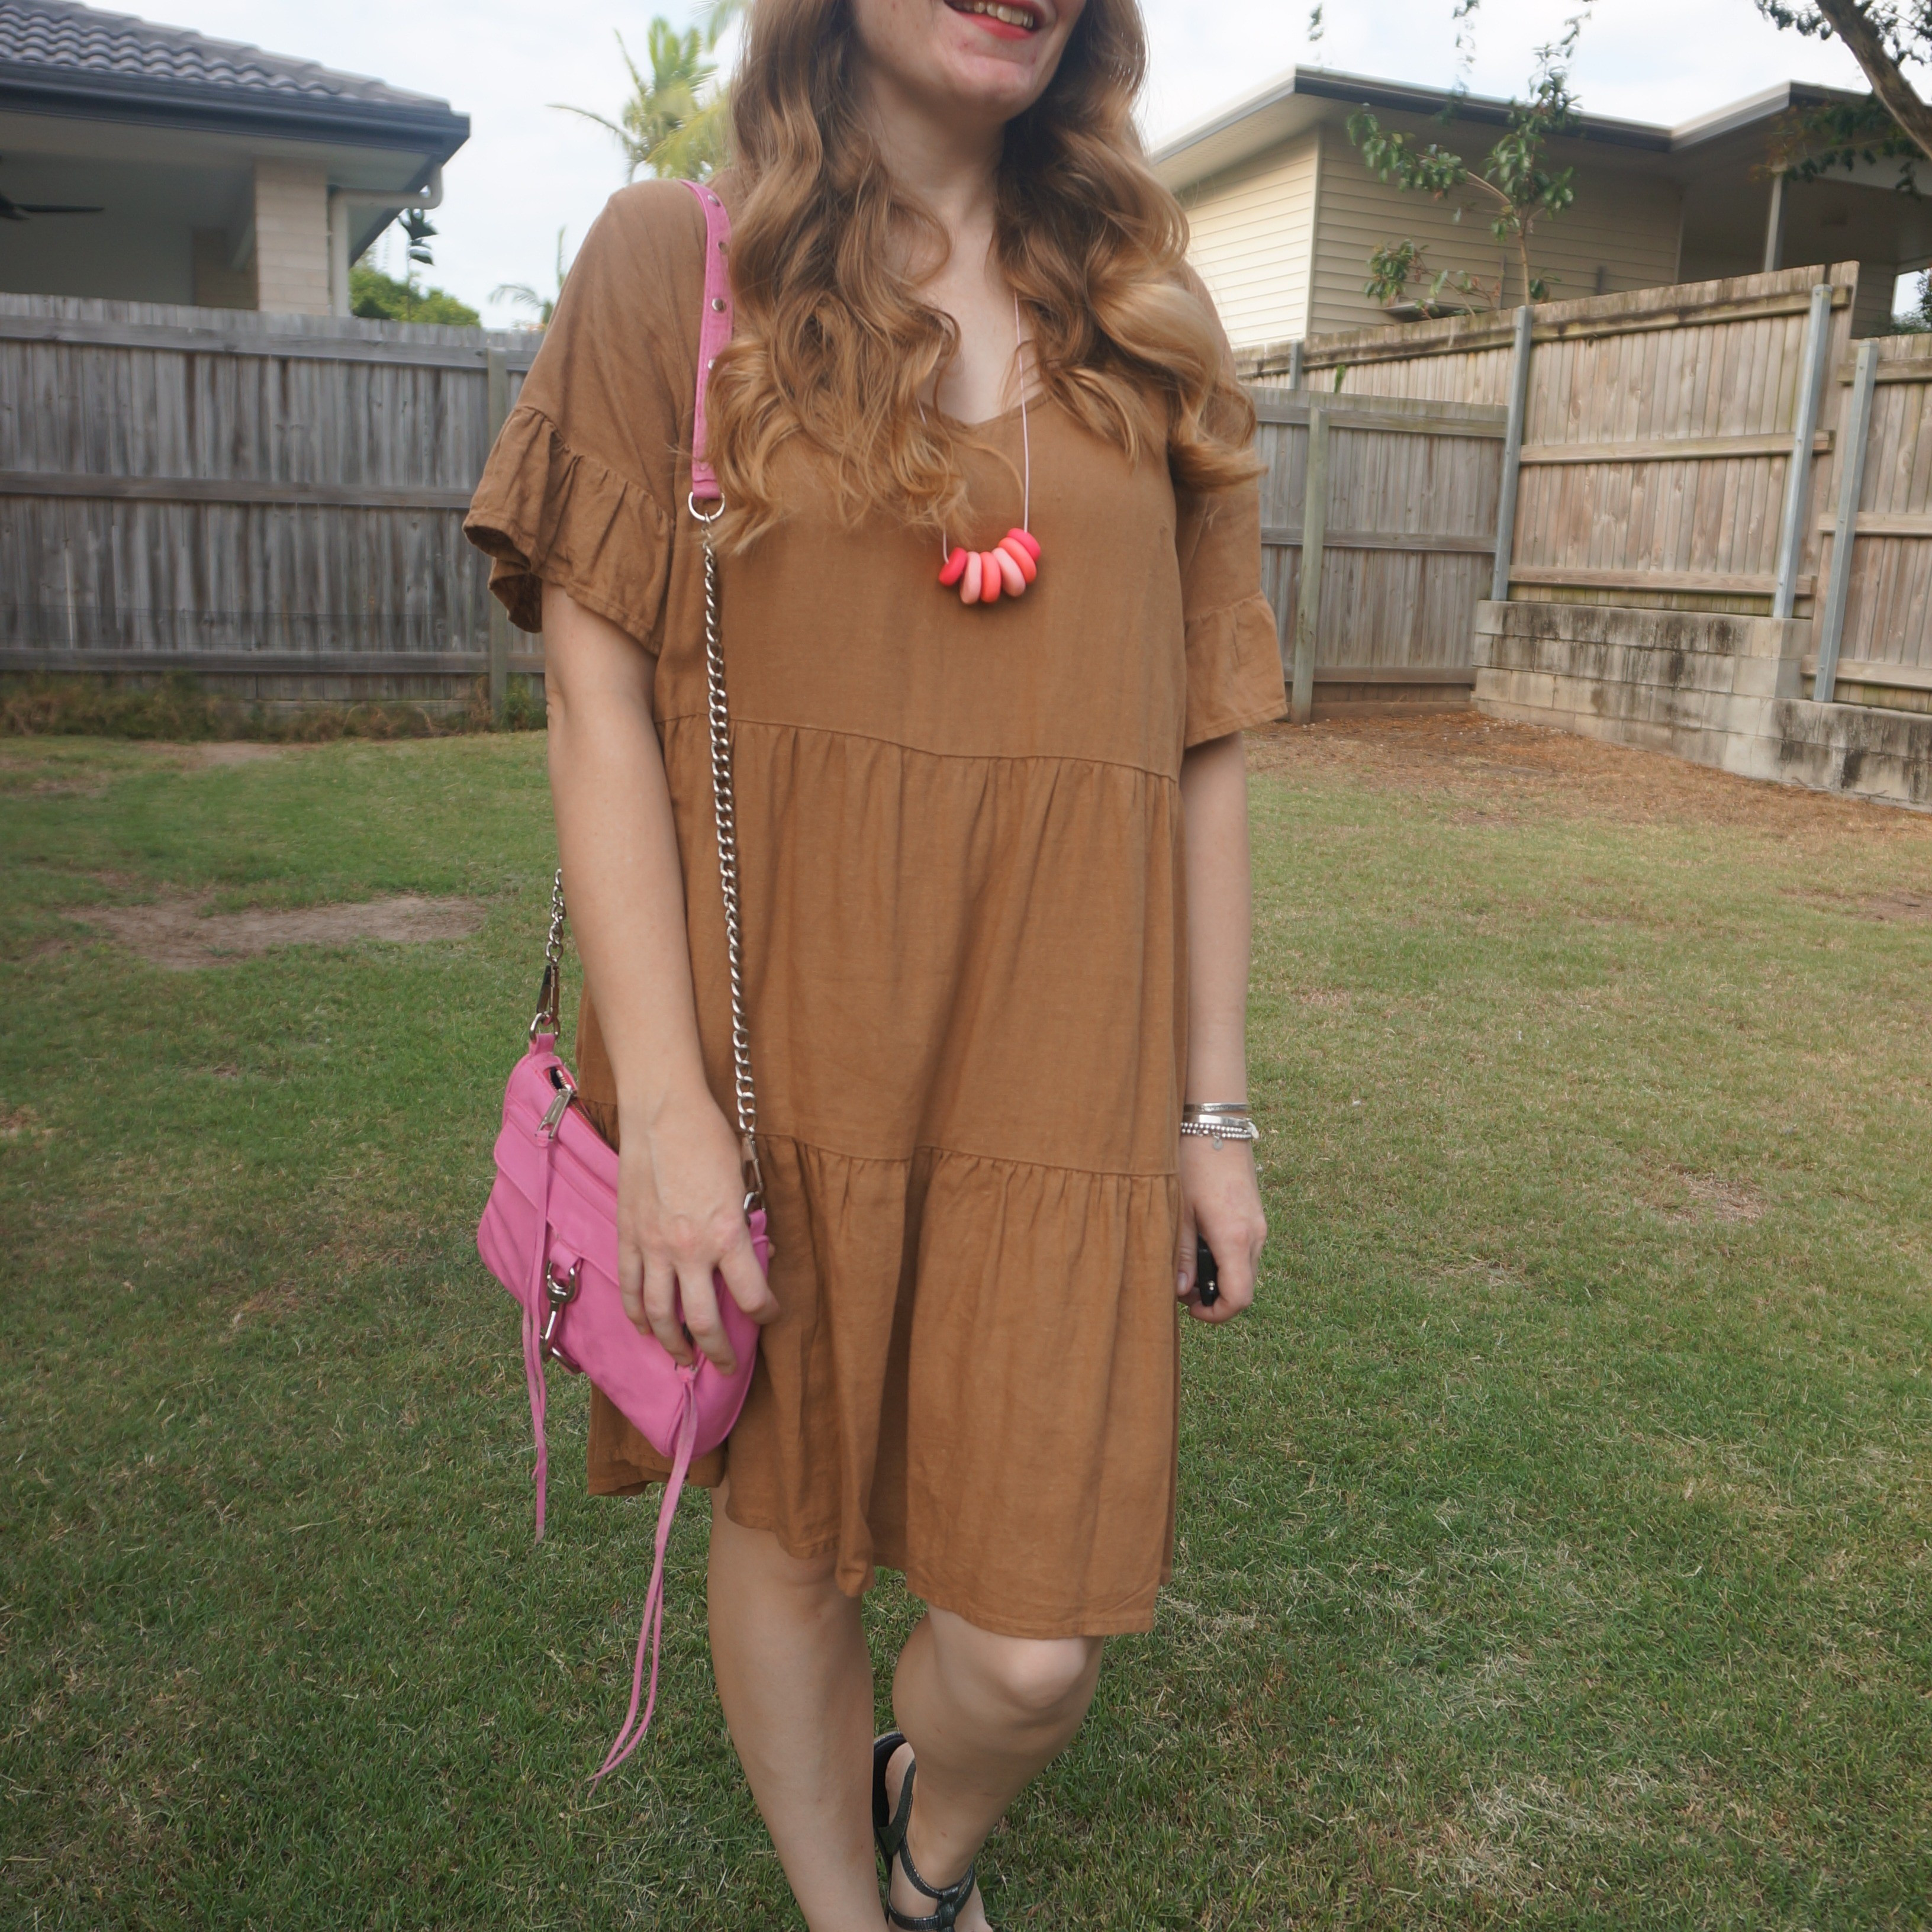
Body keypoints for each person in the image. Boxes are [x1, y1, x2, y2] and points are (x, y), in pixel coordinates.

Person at [465, 0, 1283, 1923]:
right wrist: (662, 1108)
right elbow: (595, 690)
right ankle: (861, 1910)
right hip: (783, 1055)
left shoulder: (1151, 314)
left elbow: (1208, 743)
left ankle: (920, 1825)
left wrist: (1216, 1108)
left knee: (1029, 1651)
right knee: (796, 1520)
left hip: (1059, 1061)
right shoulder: (678, 259)